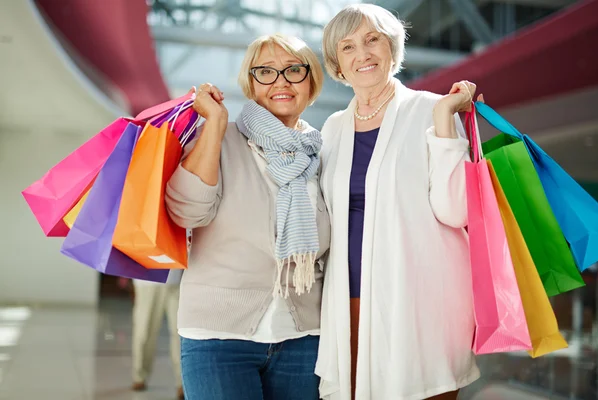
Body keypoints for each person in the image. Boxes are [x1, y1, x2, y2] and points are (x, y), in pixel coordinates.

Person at [316, 4, 484, 399]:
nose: (363, 54)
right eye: (348, 46)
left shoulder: (429, 108)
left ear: (392, 47)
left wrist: (445, 117)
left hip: (417, 302)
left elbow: (456, 210)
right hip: (349, 302)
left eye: (372, 39)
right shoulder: (333, 128)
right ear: (337, 64)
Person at [164, 33, 330, 400]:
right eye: (265, 72)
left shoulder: (321, 154)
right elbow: (186, 211)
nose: (281, 81)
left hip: (303, 340)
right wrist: (215, 124)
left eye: (293, 70)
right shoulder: (221, 139)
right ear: (251, 84)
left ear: (311, 80)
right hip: (219, 339)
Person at [124, 270, 184, 400]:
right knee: (144, 332)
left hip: (175, 280)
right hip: (147, 280)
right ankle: (139, 376)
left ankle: (183, 382)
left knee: (181, 332)